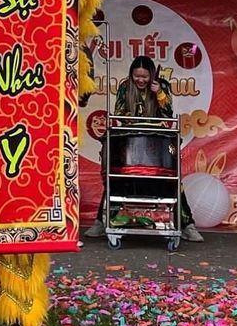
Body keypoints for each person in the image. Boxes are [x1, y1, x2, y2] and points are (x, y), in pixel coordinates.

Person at [84, 55, 203, 242]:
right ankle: (101, 221)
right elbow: (120, 114)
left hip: (156, 144)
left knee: (172, 182)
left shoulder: (161, 86)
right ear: (131, 75)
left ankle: (187, 225)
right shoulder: (125, 87)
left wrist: (159, 94)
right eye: (136, 76)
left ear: (152, 76)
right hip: (131, 143)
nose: (140, 80)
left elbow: (167, 115)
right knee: (115, 177)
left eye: (144, 77)